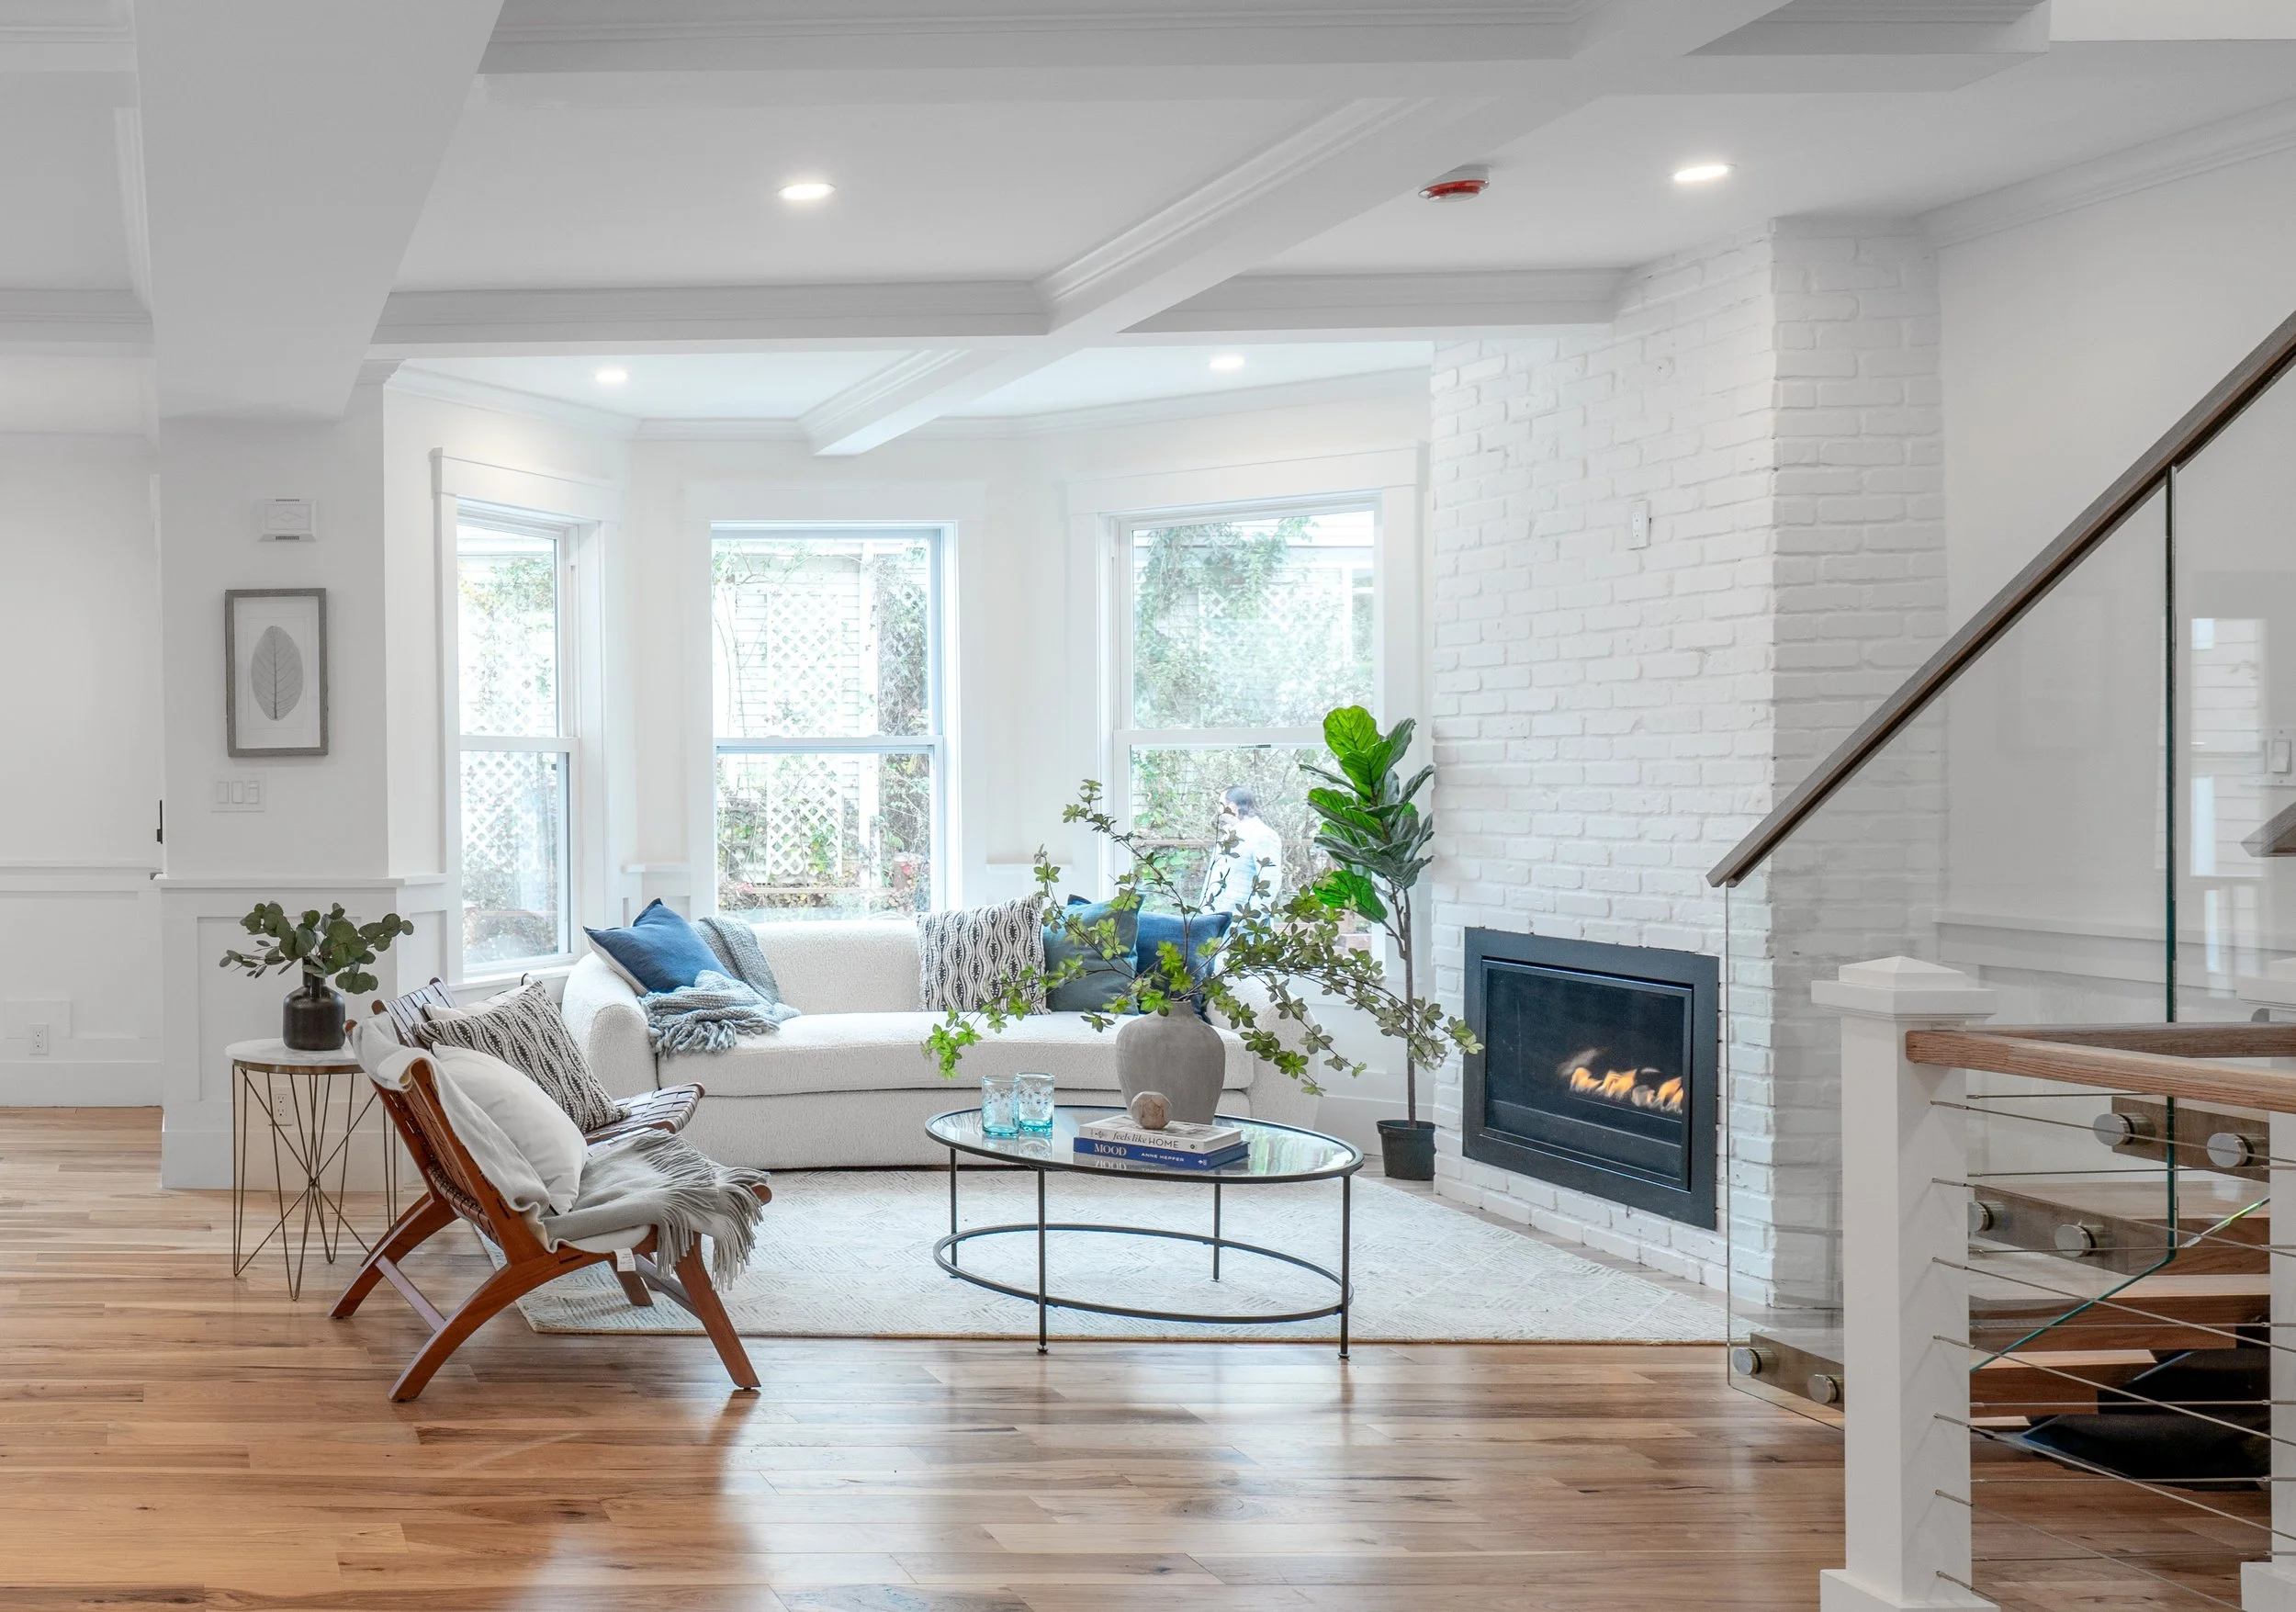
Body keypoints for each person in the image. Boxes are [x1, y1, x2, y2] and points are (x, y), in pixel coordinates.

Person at [1201, 786, 1284, 915]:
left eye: (1221, 804)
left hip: (1241, 924)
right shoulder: (1227, 835)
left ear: (1233, 807)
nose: (1219, 810)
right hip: (1216, 919)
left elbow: (1269, 881)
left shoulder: (1263, 835)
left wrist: (1248, 918)